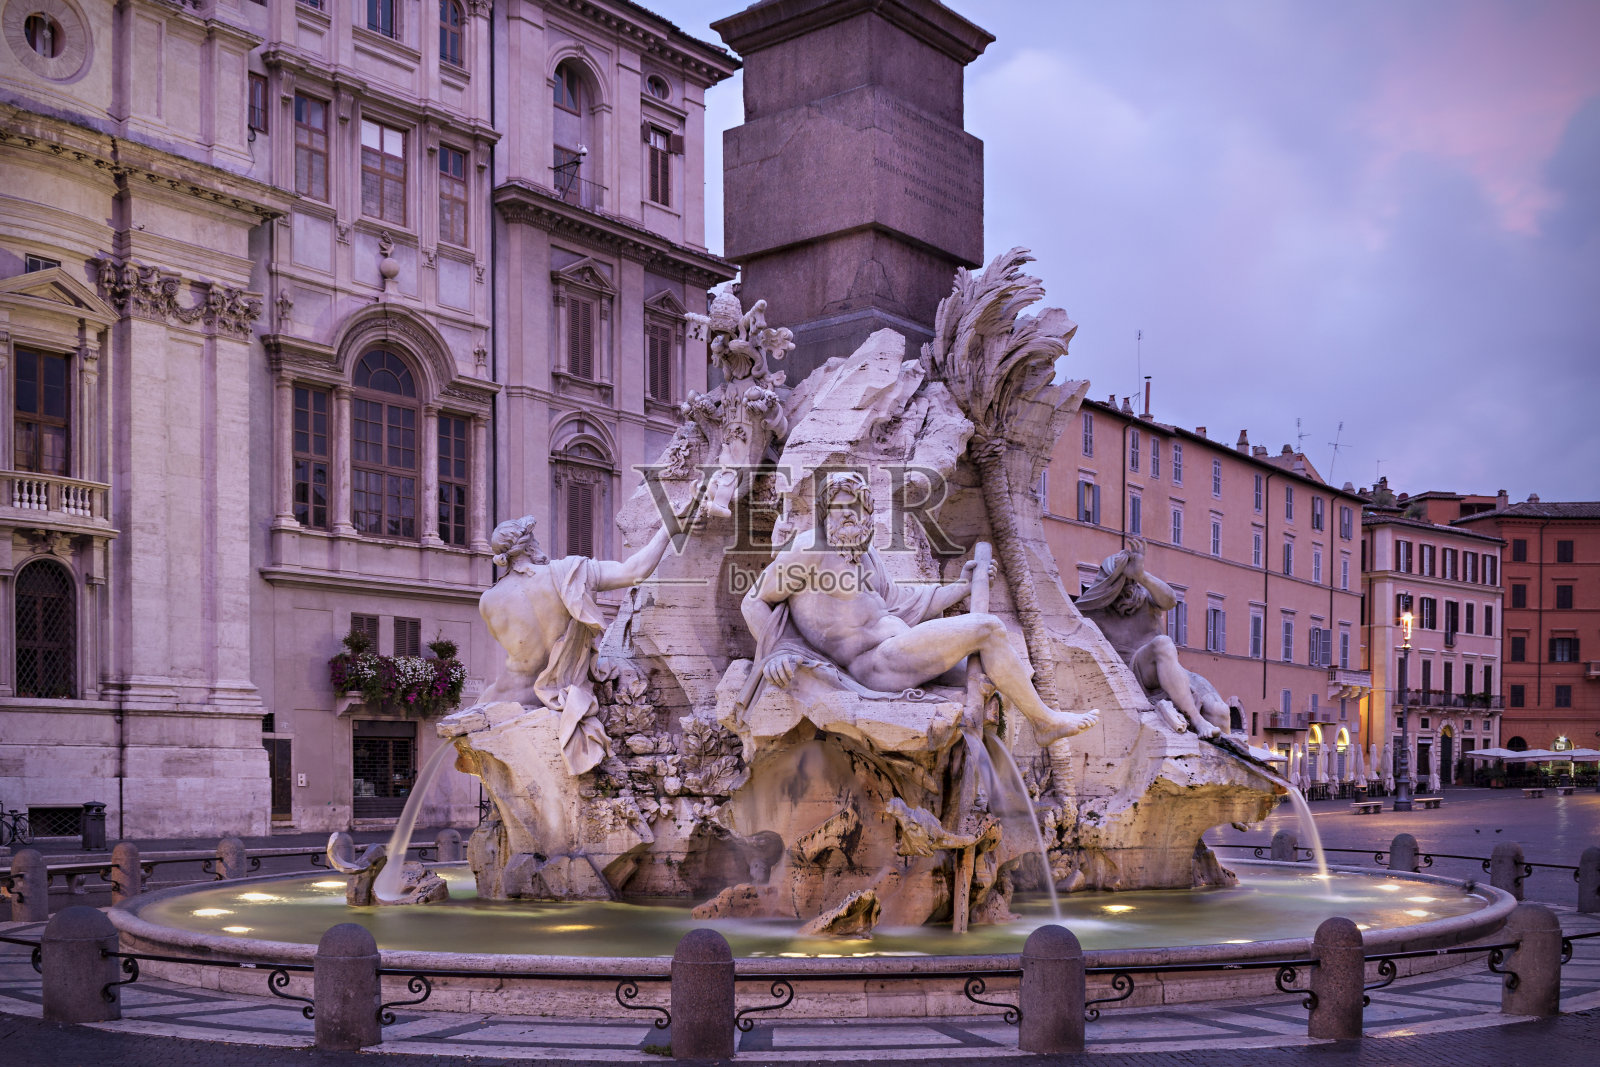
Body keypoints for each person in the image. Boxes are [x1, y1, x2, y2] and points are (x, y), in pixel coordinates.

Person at [738, 471, 1098, 746]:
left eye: (854, 506)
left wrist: (961, 586)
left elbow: (902, 603)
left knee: (1001, 677)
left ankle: (1022, 736)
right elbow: (754, 599)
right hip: (873, 665)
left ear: (867, 512)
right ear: (825, 513)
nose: (846, 515)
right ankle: (1045, 723)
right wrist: (777, 652)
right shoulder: (810, 549)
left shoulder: (865, 553)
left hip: (899, 649)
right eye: (837, 507)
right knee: (988, 629)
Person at [466, 514, 681, 774]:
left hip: (502, 700)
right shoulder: (568, 574)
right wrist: (670, 526)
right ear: (530, 545)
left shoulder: (488, 600)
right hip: (555, 698)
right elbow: (634, 572)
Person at [1076, 537, 1230, 738]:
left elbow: (1171, 599)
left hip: (1169, 669)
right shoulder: (1096, 612)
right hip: (1134, 674)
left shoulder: (1147, 599)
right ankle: (1197, 720)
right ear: (1110, 584)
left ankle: (1231, 752)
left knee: (1220, 711)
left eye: (1132, 581)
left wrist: (1142, 576)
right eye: (1124, 581)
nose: (1129, 587)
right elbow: (1069, 614)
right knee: (1163, 644)